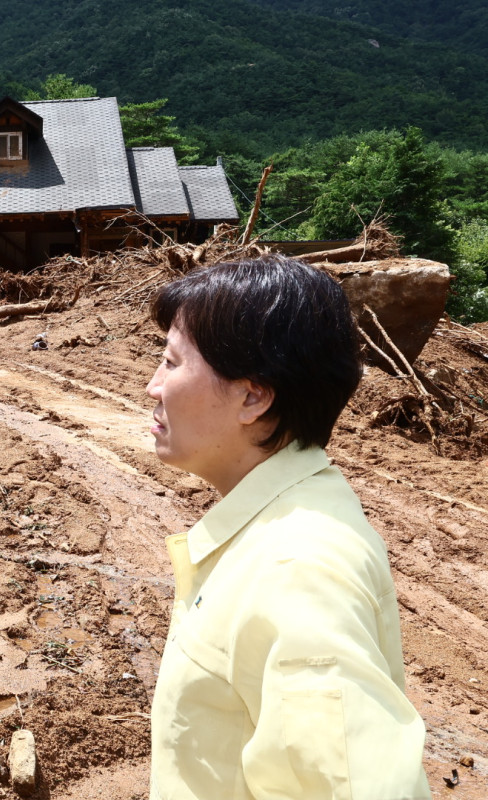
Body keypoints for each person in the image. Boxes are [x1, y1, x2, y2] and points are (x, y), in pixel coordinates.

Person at [144, 254, 430, 799]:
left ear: (253, 396)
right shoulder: (282, 523)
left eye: (172, 362)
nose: (154, 387)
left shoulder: (297, 569)